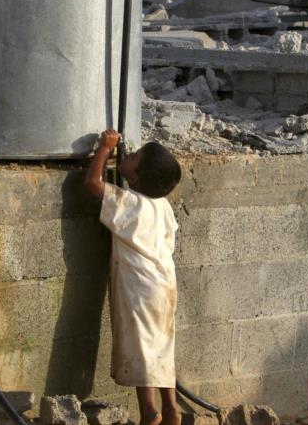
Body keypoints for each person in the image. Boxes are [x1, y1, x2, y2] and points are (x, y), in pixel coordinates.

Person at [84, 129, 183, 425]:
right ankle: (171, 409)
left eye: (135, 157)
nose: (129, 154)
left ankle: (149, 413)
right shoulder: (162, 206)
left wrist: (104, 149)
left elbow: (92, 184)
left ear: (136, 178)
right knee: (162, 348)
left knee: (142, 351)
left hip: (139, 288)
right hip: (165, 284)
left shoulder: (128, 203)